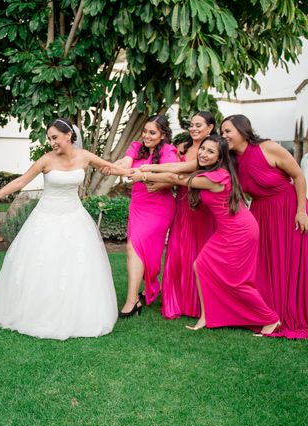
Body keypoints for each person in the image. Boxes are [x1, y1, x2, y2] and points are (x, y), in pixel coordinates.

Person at [0, 118, 128, 340]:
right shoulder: (46, 160)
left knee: (77, 266)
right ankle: (35, 311)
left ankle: (78, 315)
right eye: (49, 138)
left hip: (75, 218)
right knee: (41, 264)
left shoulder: (84, 157)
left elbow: (111, 168)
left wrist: (133, 171)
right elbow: (20, 182)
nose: (52, 142)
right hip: (45, 218)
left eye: (55, 137)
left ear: (69, 136)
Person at [138, 135, 281, 335]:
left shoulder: (216, 177)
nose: (204, 154)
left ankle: (271, 319)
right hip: (228, 229)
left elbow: (174, 178)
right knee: (202, 265)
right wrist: (147, 168)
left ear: (220, 157)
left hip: (240, 231)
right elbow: (175, 168)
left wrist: (143, 174)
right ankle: (207, 316)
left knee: (237, 280)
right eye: (203, 149)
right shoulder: (209, 170)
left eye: (210, 151)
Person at [221, 115, 308, 339]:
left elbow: (298, 176)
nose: (224, 136)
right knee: (265, 264)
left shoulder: (268, 147)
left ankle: (291, 314)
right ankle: (270, 314)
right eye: (222, 132)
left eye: (228, 131)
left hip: (288, 209)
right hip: (261, 213)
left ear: (242, 130)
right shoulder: (231, 161)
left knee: (292, 262)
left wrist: (301, 211)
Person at [103, 115, 178, 317]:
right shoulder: (137, 147)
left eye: (152, 132)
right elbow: (126, 164)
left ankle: (146, 287)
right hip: (138, 205)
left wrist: (146, 176)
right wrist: (111, 167)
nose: (146, 135)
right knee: (134, 247)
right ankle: (133, 299)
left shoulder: (168, 151)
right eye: (145, 131)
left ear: (163, 135)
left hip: (160, 208)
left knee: (146, 251)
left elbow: (172, 177)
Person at [161, 112, 216, 319]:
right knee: (178, 250)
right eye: (191, 125)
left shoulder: (213, 151)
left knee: (200, 251)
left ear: (210, 128)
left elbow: (180, 173)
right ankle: (177, 301)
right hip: (182, 203)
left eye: (198, 125)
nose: (193, 128)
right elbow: (174, 172)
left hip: (202, 205)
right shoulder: (182, 148)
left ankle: (199, 304)